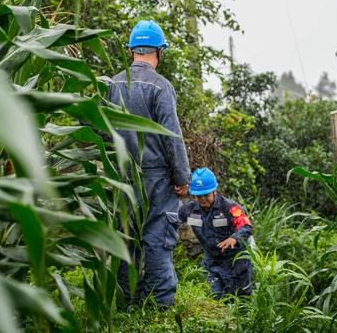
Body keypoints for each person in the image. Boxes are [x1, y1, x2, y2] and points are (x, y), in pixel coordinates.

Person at [108, 20, 192, 308]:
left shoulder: (113, 84)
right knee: (157, 238)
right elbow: (172, 137)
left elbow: (101, 130)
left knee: (125, 238)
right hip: (156, 178)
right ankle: (159, 304)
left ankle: (125, 301)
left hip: (121, 175)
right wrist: (182, 177)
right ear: (159, 51)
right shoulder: (161, 86)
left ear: (132, 51)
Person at [178, 167, 254, 299]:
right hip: (212, 263)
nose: (202, 199)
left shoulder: (230, 207)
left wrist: (234, 239)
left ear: (214, 191)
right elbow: (172, 217)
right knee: (216, 297)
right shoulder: (189, 210)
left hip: (236, 262)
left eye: (206, 195)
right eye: (198, 196)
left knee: (240, 299)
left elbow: (246, 226)